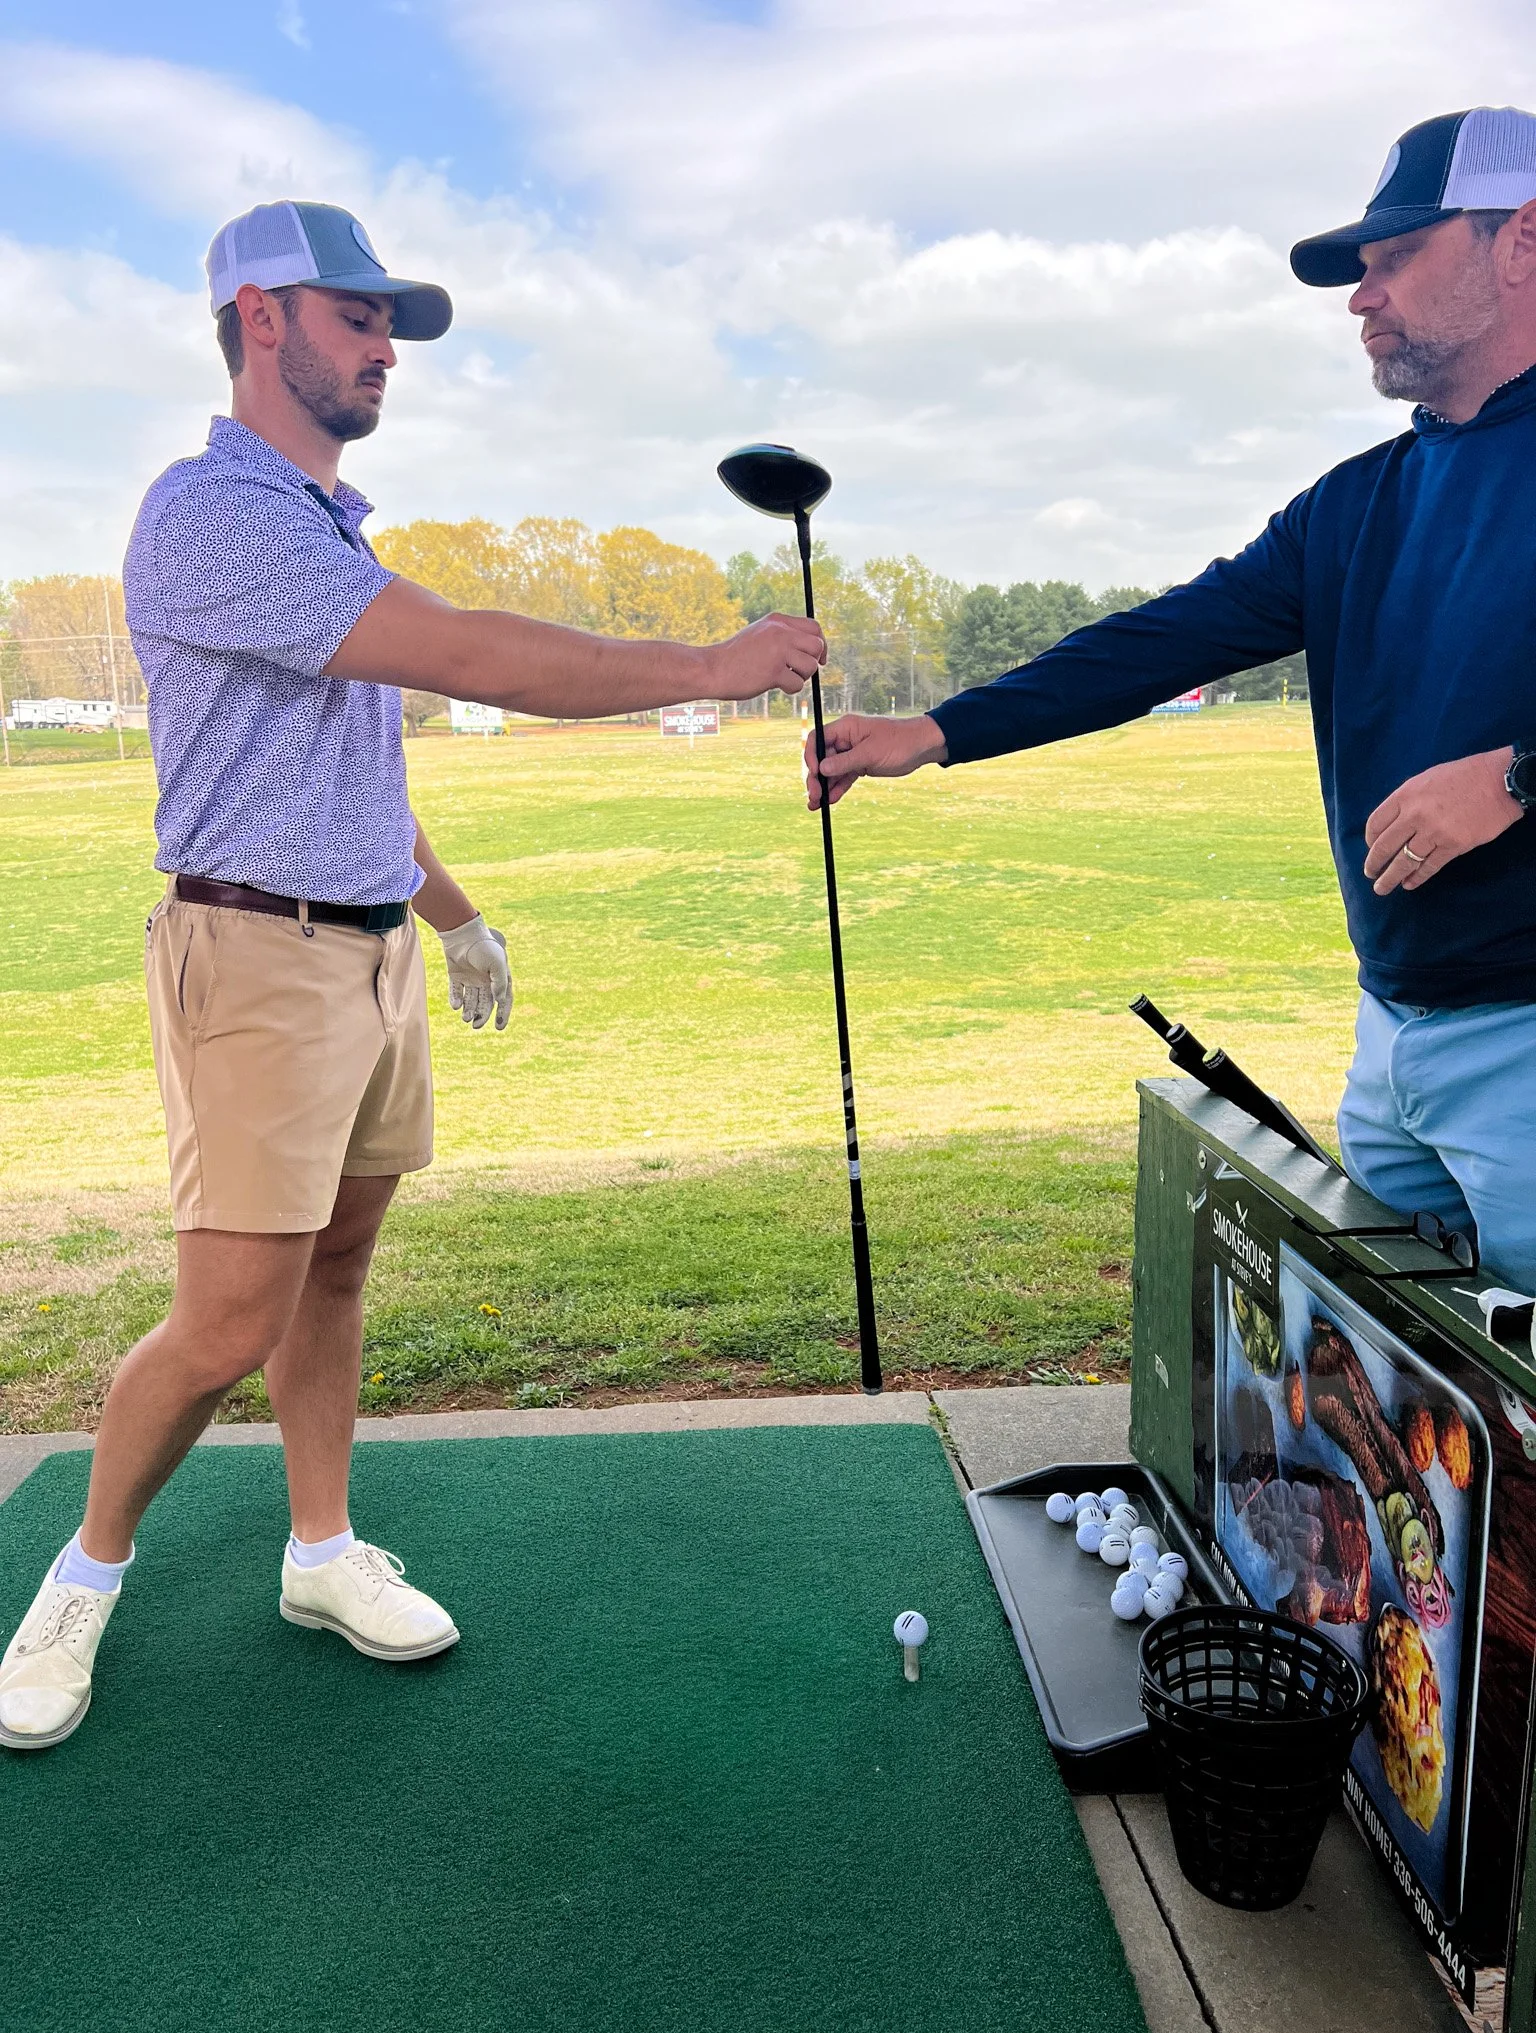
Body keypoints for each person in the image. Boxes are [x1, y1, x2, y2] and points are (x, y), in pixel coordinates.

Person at [0, 201, 823, 1750]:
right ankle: (80, 1582)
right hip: (254, 952)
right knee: (228, 1315)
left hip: (364, 949)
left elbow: (358, 780)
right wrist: (707, 668)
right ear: (259, 317)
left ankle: (320, 1554)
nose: (386, 347)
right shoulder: (210, 512)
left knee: (338, 1271)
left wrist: (453, 916)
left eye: (393, 325)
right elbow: (477, 658)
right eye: (357, 315)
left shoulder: (326, 526)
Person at [805, 106, 1536, 1291]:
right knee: (1434, 1420)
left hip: (1527, 1036)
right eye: (1359, 269)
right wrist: (940, 730)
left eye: (1395, 256)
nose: (1361, 294)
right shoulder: (1355, 502)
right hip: (1394, 1032)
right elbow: (1163, 640)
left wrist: (1516, 774)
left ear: (1522, 241)